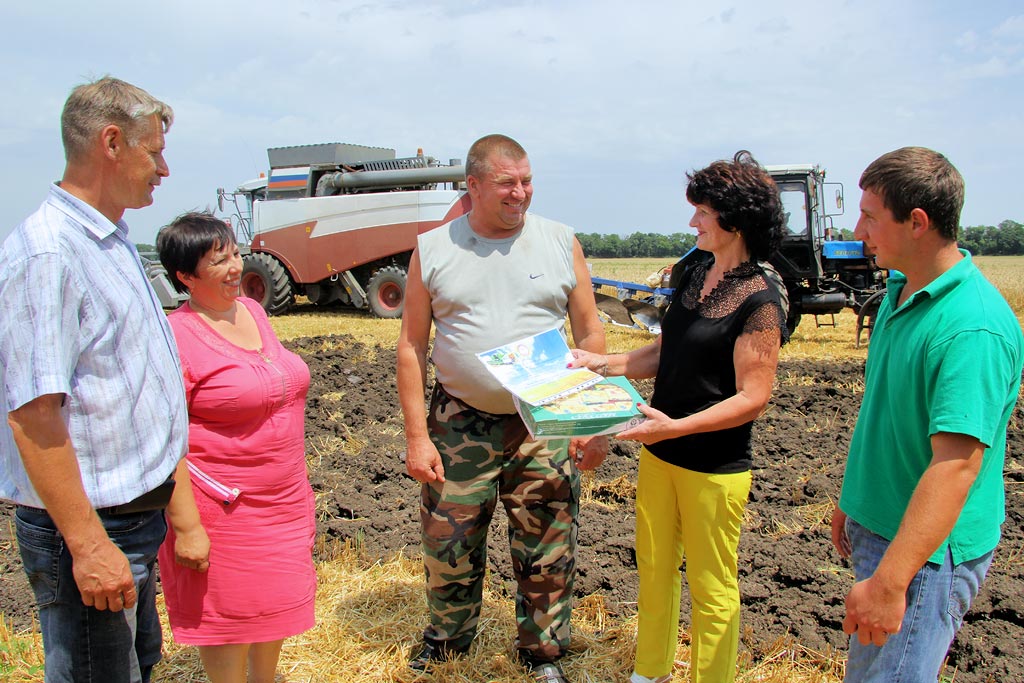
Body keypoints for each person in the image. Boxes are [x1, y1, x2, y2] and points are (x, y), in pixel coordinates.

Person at [396, 134, 607, 683]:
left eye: (527, 181)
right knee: (450, 537)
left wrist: (591, 419)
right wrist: (418, 438)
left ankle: (543, 653)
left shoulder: (560, 242)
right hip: (459, 420)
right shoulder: (434, 247)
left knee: (548, 539)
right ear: (472, 186)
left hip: (545, 420)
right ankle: (448, 639)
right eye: (507, 183)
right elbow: (411, 346)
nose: (521, 193)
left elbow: (589, 329)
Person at [569, 151, 787, 683]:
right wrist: (606, 363)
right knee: (655, 571)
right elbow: (668, 350)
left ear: (734, 219)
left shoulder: (760, 299)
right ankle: (650, 673)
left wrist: (677, 426)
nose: (692, 222)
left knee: (713, 590)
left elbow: (752, 396)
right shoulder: (694, 271)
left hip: (714, 467)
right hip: (659, 452)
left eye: (703, 212)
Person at [0, 76, 187, 683]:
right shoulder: (49, 253)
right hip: (92, 525)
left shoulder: (107, 239)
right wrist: (86, 545)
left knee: (133, 667)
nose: (163, 167)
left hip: (130, 519)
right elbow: (33, 414)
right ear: (111, 142)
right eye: (153, 150)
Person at [830, 147, 1023, 682]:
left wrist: (891, 582)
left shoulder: (971, 328)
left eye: (870, 215)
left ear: (917, 223)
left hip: (925, 555)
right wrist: (854, 501)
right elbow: (884, 412)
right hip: (883, 526)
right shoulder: (900, 290)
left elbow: (956, 466)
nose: (858, 226)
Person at [155, 211, 317, 683]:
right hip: (224, 509)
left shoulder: (254, 311)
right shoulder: (176, 336)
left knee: (273, 612)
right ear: (185, 276)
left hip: (284, 498)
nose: (233, 268)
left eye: (234, 254)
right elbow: (165, 438)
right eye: (217, 260)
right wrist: (186, 527)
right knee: (230, 623)